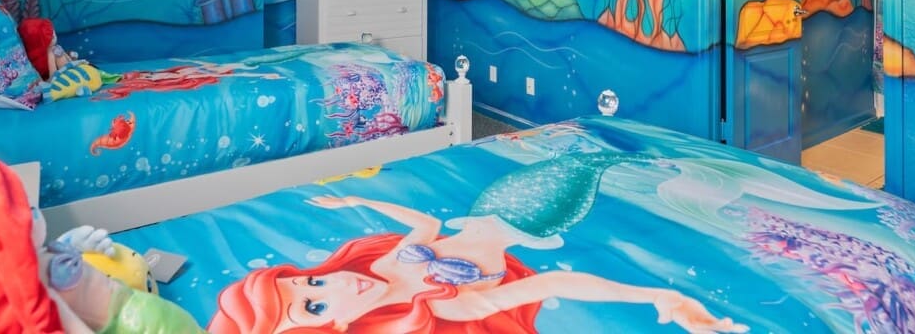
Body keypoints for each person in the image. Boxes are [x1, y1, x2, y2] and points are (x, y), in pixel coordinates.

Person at [209, 152, 749, 334]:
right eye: (315, 305)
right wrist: (658, 295)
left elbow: (425, 224)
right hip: (531, 223)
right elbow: (552, 283)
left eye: (310, 281)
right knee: (584, 170)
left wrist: (359, 199)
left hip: (489, 204)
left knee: (588, 160)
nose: (332, 284)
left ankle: (634, 159)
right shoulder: (444, 305)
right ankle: (635, 162)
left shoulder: (384, 267)